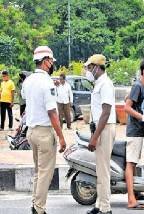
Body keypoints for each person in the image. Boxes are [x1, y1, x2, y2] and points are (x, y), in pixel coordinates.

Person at [22, 46, 66, 214]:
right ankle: (39, 209)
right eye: (51, 61)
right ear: (46, 62)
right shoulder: (46, 81)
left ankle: (35, 204)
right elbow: (52, 112)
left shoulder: (28, 80)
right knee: (45, 174)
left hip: (31, 132)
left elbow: (27, 99)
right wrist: (61, 137)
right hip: (44, 133)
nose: (52, 64)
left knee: (38, 172)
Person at [85, 54, 116, 214]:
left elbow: (106, 112)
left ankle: (105, 208)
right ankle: (99, 204)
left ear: (97, 67)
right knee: (100, 169)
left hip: (104, 129)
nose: (88, 71)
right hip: (100, 128)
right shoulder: (99, 83)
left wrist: (95, 137)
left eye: (89, 67)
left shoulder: (105, 84)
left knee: (103, 170)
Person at [124, 57, 144, 210]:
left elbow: (133, 101)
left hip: (139, 129)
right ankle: (131, 200)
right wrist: (143, 117)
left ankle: (135, 193)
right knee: (130, 164)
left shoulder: (143, 86)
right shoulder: (138, 85)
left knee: (134, 162)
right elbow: (127, 107)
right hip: (134, 130)